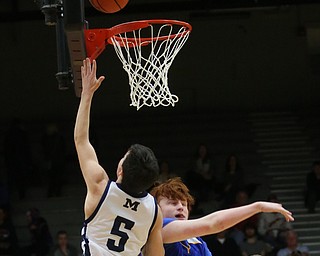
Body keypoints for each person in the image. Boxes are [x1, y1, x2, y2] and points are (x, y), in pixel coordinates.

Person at [74, 58, 164, 256]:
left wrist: (87, 94)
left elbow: (81, 140)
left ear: (120, 169)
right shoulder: (154, 212)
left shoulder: (100, 187)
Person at [150, 177, 294, 256]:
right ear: (157, 209)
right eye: (173, 203)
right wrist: (257, 207)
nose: (181, 206)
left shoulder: (196, 241)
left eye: (184, 203)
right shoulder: (160, 228)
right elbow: (213, 224)